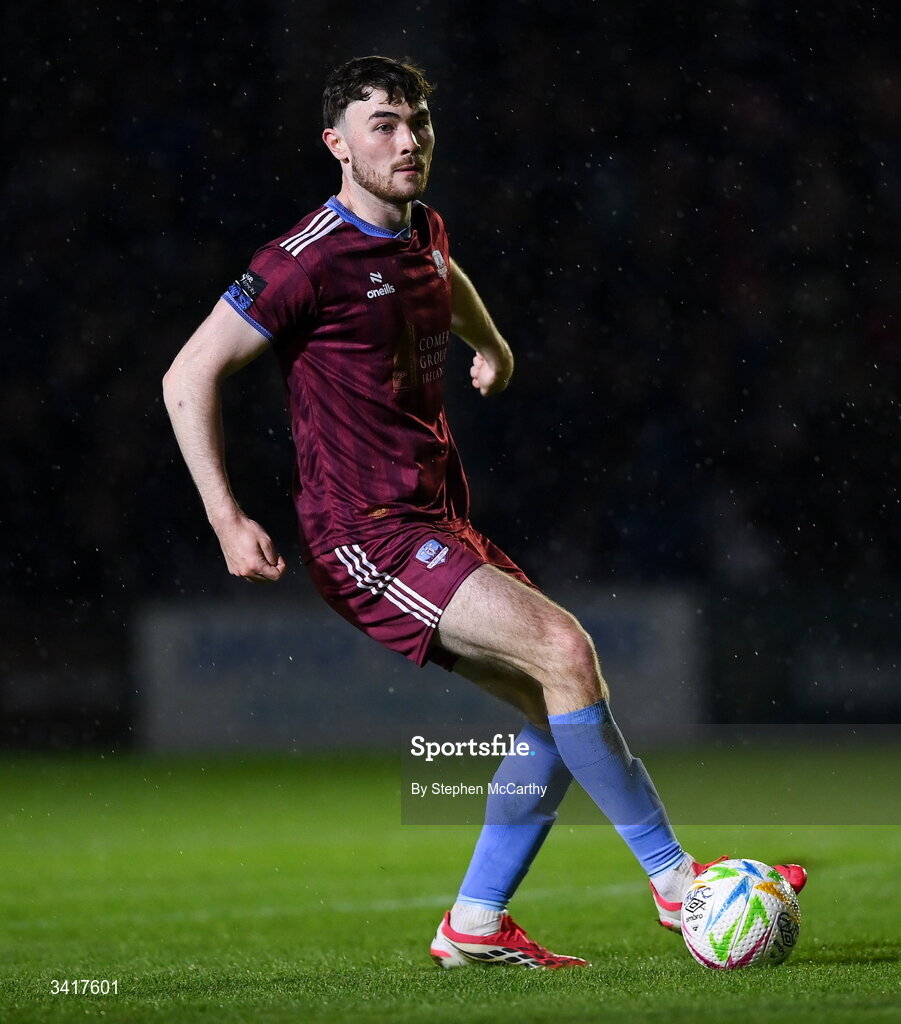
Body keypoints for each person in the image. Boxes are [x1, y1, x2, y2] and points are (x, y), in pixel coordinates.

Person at [162, 55, 806, 969]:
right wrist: (227, 519)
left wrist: (491, 345)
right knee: (565, 651)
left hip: (437, 521)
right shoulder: (301, 261)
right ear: (335, 144)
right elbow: (186, 375)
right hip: (367, 535)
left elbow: (442, 274)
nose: (407, 138)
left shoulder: (420, 230)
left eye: (417, 120)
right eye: (382, 122)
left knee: (554, 705)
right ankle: (676, 886)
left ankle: (472, 924)